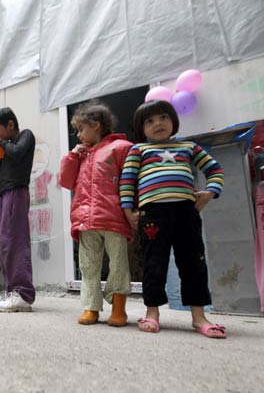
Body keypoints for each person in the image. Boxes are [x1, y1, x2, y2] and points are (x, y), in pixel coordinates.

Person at [120, 100, 226, 338]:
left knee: (193, 264)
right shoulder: (138, 150)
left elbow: (215, 170)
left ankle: (199, 317)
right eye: (150, 121)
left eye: (163, 117)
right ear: (141, 128)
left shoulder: (189, 147)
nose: (158, 123)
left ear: (173, 121)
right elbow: (127, 181)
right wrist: (128, 211)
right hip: (152, 215)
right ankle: (152, 312)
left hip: (186, 213)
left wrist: (210, 192)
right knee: (153, 264)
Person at [58, 100, 133, 326]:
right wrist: (72, 156)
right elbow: (67, 181)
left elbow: (131, 181)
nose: (78, 135)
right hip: (85, 220)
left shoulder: (121, 148)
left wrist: (132, 210)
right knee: (88, 266)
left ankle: (119, 308)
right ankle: (91, 307)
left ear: (97, 125)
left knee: (118, 264)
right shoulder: (81, 155)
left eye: (81, 129)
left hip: (115, 218)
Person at [0, 107, 36, 312]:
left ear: (10, 125)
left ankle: (23, 294)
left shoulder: (25, 136)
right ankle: (10, 291)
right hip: (6, 193)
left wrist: (2, 143)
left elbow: (17, 153)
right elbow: (3, 171)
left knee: (16, 241)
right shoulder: (5, 146)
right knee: (4, 243)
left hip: (17, 192)